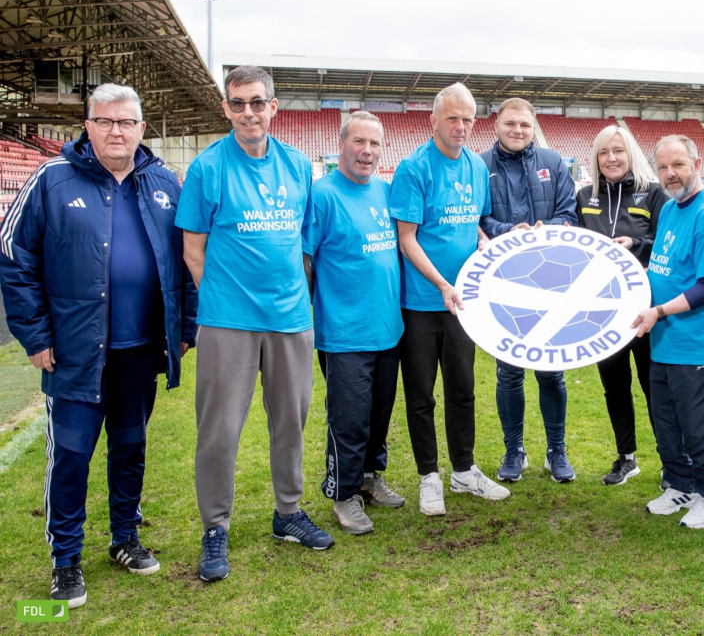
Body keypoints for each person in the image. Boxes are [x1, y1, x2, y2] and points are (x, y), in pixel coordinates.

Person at [0, 83, 197, 608]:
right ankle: (65, 559)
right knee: (71, 456)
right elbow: (14, 258)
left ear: (141, 128)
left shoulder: (164, 183)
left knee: (130, 448)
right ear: (87, 126)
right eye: (105, 121)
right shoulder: (52, 179)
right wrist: (35, 336)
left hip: (140, 352)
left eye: (126, 122)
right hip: (75, 354)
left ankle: (124, 537)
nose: (116, 131)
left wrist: (185, 328)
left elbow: (188, 260)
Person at [176, 65, 333, 582]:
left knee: (291, 422)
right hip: (229, 321)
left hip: (290, 319)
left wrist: (291, 297)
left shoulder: (297, 165)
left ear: (273, 107)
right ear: (226, 108)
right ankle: (215, 527)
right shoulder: (207, 167)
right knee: (219, 431)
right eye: (238, 103)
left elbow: (303, 244)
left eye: (257, 102)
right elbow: (193, 251)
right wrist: (225, 301)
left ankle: (288, 513)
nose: (249, 112)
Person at [389, 83, 510, 516]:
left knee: (463, 390)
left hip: (463, 304)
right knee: (421, 395)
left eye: (468, 119)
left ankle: (463, 470)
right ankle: (429, 477)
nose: (461, 126)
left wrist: (482, 242)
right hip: (422, 303)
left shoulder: (476, 166)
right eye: (453, 118)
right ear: (434, 120)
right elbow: (407, 239)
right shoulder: (413, 168)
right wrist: (442, 283)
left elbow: (473, 221)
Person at [302, 111, 405, 536]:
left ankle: (369, 477)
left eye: (374, 143)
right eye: (359, 142)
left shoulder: (385, 191)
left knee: (379, 414)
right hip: (344, 333)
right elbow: (305, 261)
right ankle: (343, 493)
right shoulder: (322, 195)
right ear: (341, 144)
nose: (367, 151)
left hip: (388, 328)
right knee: (348, 419)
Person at [633, 135, 704, 529]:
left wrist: (660, 310)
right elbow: (665, 268)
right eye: (662, 167)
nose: (670, 173)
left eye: (678, 164)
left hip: (699, 343)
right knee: (667, 422)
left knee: (701, 426)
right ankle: (680, 485)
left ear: (697, 164)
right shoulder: (670, 208)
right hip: (665, 339)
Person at [479, 98, 578, 483]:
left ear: (533, 127)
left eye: (524, 124)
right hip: (503, 284)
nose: (517, 130)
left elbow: (569, 214)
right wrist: (509, 233)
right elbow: (478, 219)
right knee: (509, 372)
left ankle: (557, 450)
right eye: (510, 124)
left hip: (550, 281)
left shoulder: (554, 163)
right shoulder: (480, 167)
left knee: (551, 373)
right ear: (497, 125)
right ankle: (513, 449)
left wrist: (543, 232)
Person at [576, 125, 667, 485]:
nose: (611, 158)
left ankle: (669, 460)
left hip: (645, 309)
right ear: (596, 158)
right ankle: (626, 457)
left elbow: (666, 244)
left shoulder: (653, 194)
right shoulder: (585, 196)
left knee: (653, 385)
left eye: (618, 151)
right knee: (615, 386)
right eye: (603, 152)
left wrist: (635, 244)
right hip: (602, 312)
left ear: (631, 154)